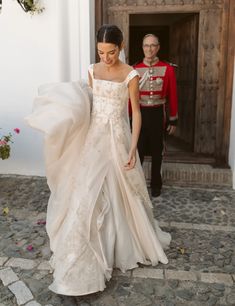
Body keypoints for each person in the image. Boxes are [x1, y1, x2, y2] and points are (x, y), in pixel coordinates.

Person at [26, 25, 171, 296]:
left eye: (111, 52)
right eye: (101, 52)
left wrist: (132, 149)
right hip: (94, 138)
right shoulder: (93, 70)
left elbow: (136, 113)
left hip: (118, 138)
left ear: (121, 46)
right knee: (86, 193)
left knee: (121, 191)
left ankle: (120, 244)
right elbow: (90, 105)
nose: (106, 58)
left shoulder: (131, 74)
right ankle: (83, 247)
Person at [134, 34, 178, 197]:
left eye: (153, 45)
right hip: (140, 113)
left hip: (158, 113)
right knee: (138, 151)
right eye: (146, 45)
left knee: (157, 150)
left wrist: (173, 119)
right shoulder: (134, 69)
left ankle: (156, 184)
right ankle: (136, 185)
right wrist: (129, 118)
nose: (149, 49)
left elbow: (172, 95)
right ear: (142, 47)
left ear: (158, 47)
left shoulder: (168, 69)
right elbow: (131, 98)